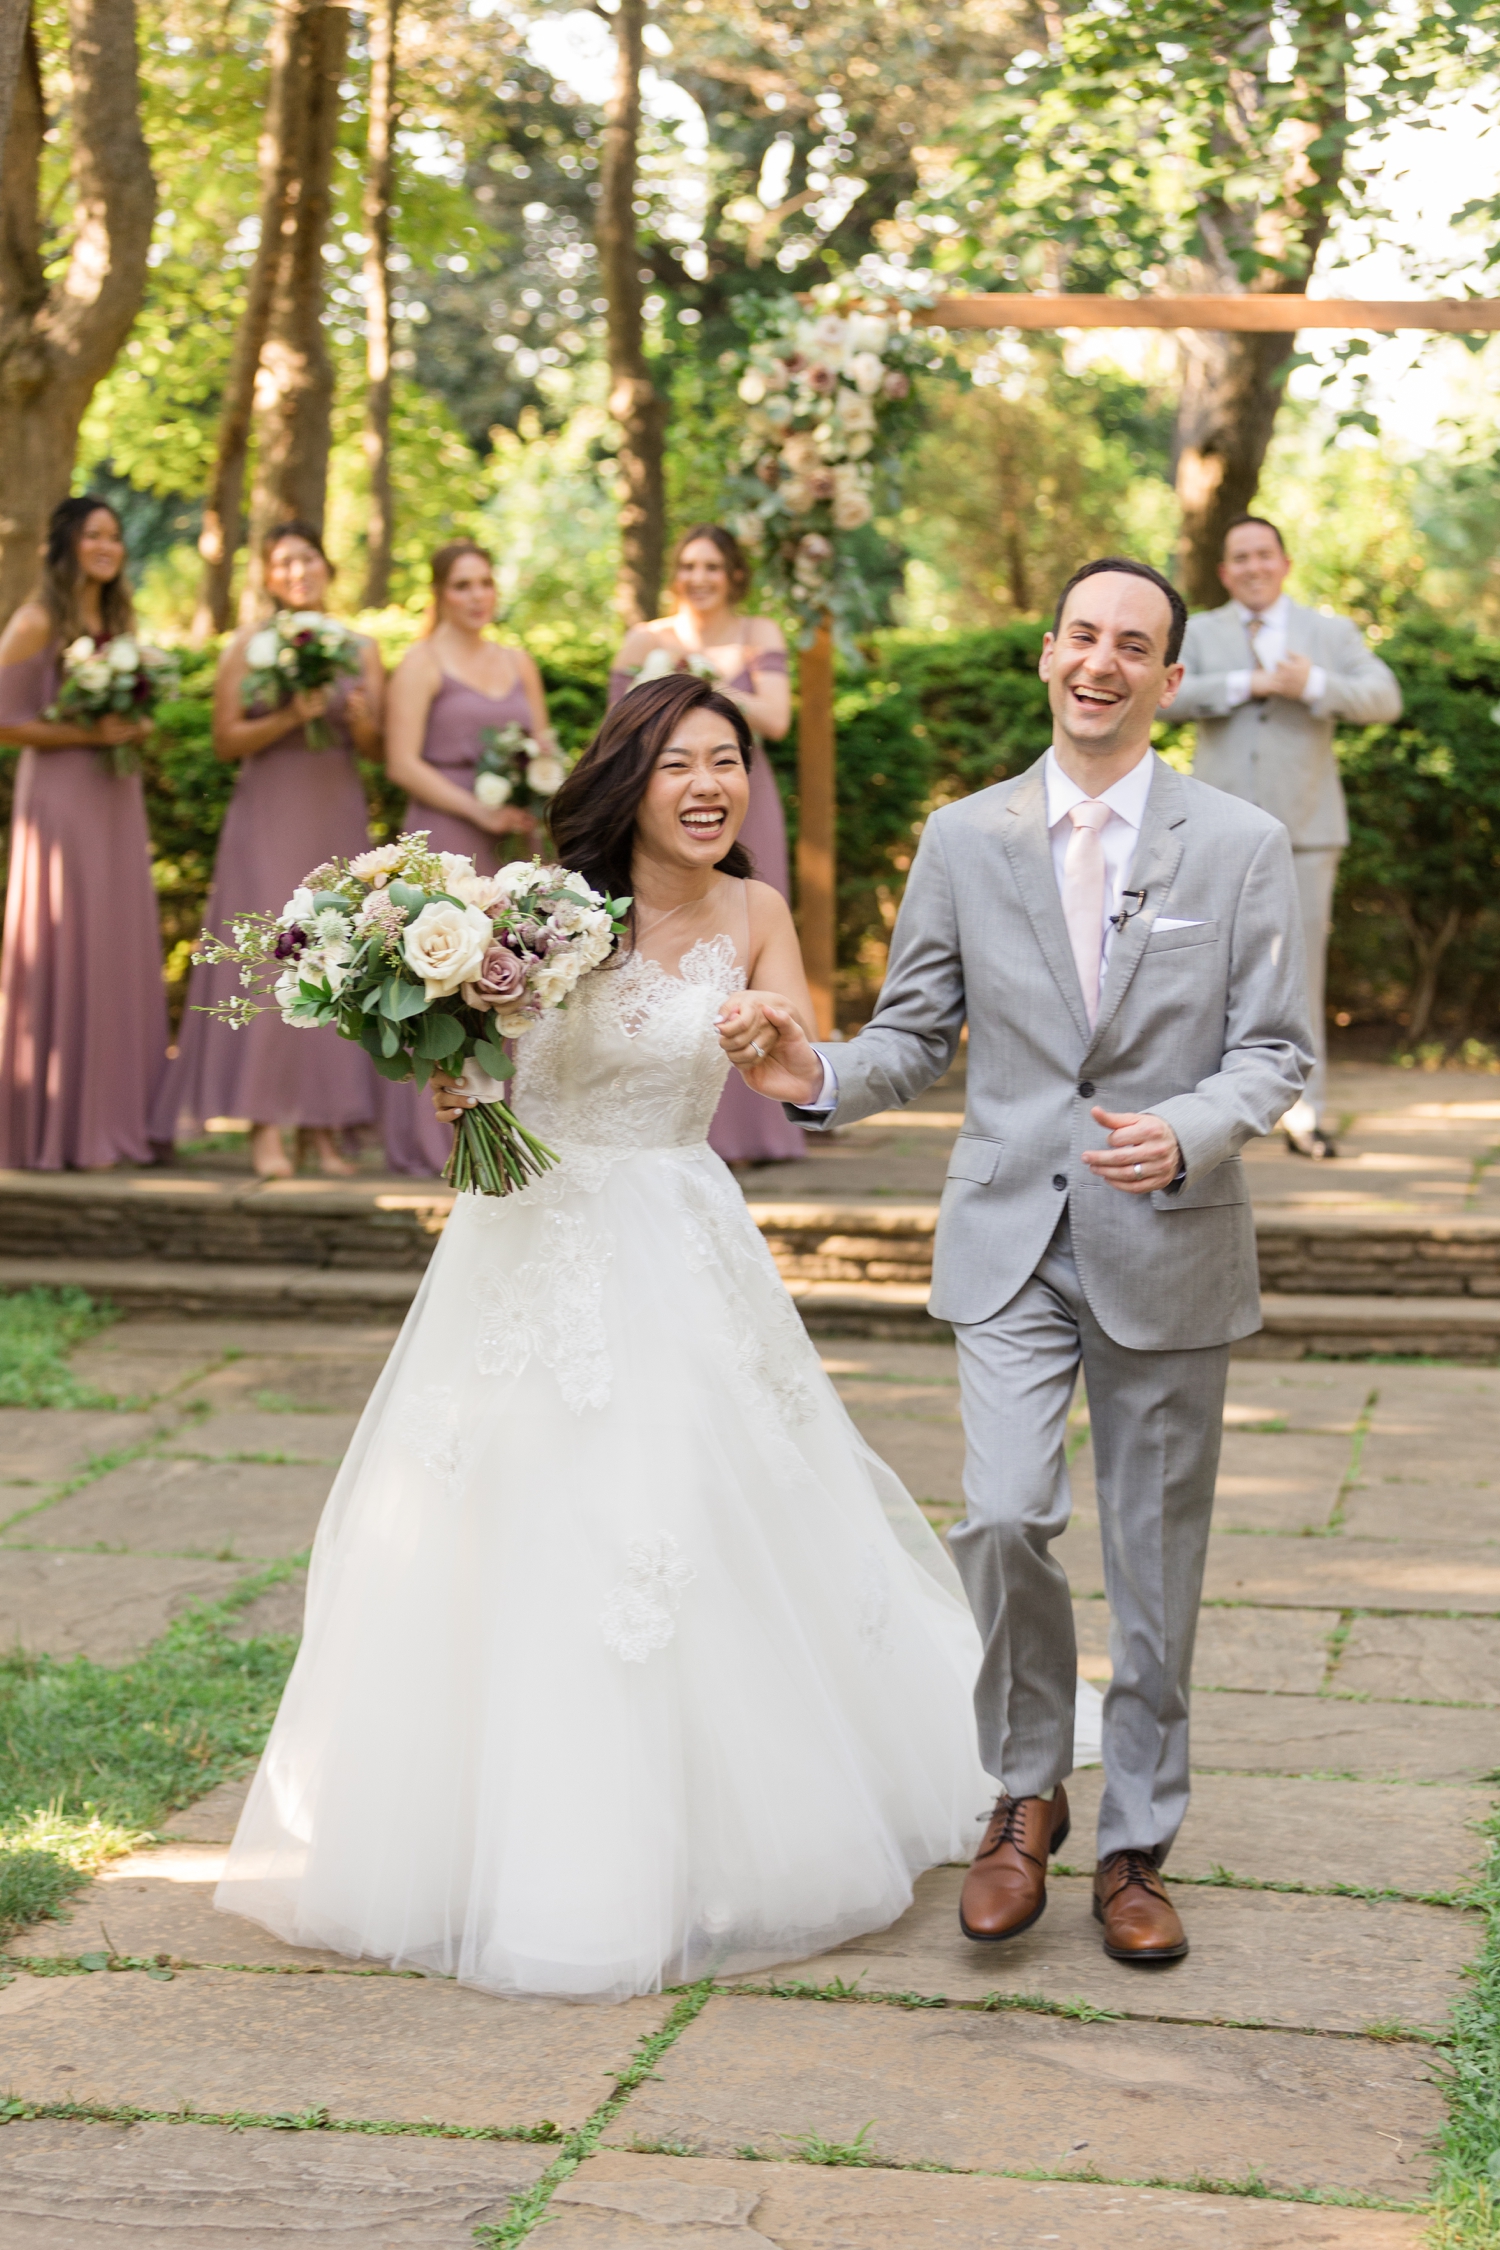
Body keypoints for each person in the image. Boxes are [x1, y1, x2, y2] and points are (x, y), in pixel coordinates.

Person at [214, 673, 1102, 2001]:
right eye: (684, 761)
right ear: (629, 776)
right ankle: (496, 1837)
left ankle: (718, 1835)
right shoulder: (532, 908)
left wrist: (766, 1030)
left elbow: (799, 1049)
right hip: (525, 1237)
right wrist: (450, 1070)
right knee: (497, 1515)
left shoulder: (753, 909)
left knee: (684, 1509)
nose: (712, 786)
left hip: (678, 1237)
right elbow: (482, 1046)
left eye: (731, 762)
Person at [730, 559, 1312, 1964]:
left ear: (1172, 679)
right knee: (999, 1514)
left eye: (1136, 646)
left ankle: (1136, 1845)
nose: (1103, 663)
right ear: (1047, 654)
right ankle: (1023, 1792)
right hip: (1009, 1239)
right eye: (1084, 637)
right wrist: (812, 1068)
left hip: (1168, 1239)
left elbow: (1276, 1049)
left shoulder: (1236, 842)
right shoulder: (964, 836)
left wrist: (1185, 1130)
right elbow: (916, 1031)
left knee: (1157, 1565)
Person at [153, 523, 385, 1179]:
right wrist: (293, 714)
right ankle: (264, 1124)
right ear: (269, 576)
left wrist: (361, 720)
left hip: (334, 809)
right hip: (268, 813)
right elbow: (226, 740)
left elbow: (378, 746)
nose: (297, 571)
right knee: (269, 956)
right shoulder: (246, 647)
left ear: (327, 566)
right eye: (283, 562)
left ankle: (325, 1128)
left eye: (307, 557)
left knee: (337, 955)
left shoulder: (360, 647)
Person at [1170, 515, 1400, 1160]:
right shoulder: (1201, 631)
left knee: (1301, 975)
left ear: (1284, 563)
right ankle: (1207, 1113)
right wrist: (1249, 684)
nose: (1252, 567)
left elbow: (1385, 697)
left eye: (1262, 555)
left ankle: (1306, 1114)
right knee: (1203, 971)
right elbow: (1164, 695)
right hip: (1214, 833)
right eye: (1238, 558)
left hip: (1306, 830)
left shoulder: (1328, 633)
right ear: (1224, 571)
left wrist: (1313, 685)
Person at [610, 524, 803, 1166]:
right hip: (661, 795)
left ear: (733, 575)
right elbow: (618, 730)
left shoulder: (759, 634)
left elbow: (774, 718)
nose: (699, 577)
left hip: (744, 797)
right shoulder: (645, 638)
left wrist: (693, 685)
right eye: (688, 564)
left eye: (712, 566)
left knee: (740, 944)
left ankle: (750, 1130)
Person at [0, 496, 168, 1169]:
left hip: (115, 795)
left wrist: (137, 723)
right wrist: (86, 733)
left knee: (115, 943)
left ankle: (115, 1121)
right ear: (65, 543)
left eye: (115, 536)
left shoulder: (116, 620)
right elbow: (5, 719)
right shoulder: (37, 620)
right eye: (93, 535)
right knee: (66, 936)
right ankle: (55, 1128)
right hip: (63, 798)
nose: (107, 546)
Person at [378, 540, 553, 1177]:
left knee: (509, 976)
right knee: (441, 981)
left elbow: (543, 741)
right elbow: (401, 762)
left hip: (510, 841)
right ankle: (439, 1135)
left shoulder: (518, 661)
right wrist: (477, 811)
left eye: (485, 582)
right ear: (439, 593)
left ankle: (510, 1124)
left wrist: (540, 786)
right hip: (442, 836)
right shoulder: (421, 663)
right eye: (462, 585)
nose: (477, 595)